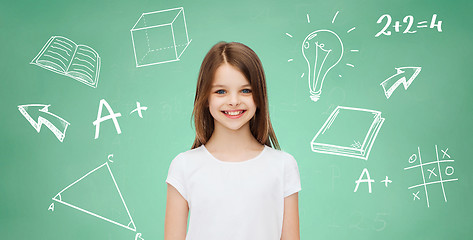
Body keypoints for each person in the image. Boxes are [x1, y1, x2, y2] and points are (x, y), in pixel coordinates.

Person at [164, 42, 301, 240]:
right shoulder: (183, 166)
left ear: (259, 95)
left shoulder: (283, 165)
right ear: (205, 98)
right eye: (221, 91)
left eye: (246, 90)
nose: (234, 101)